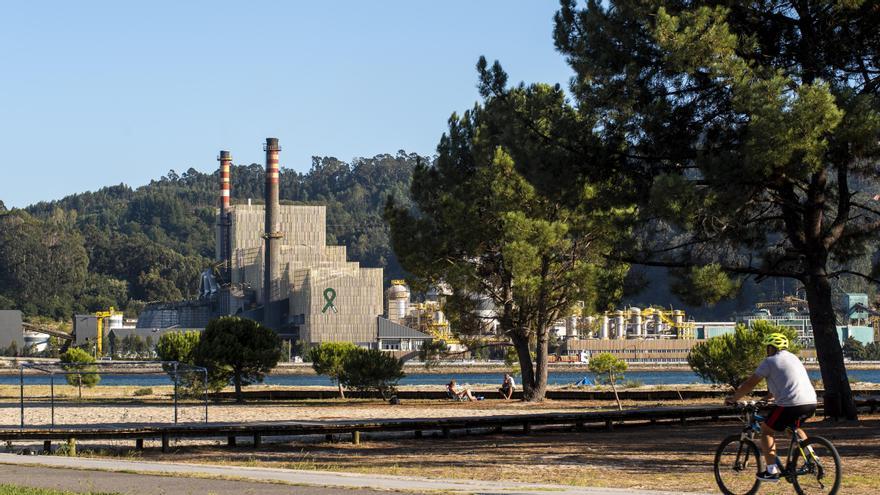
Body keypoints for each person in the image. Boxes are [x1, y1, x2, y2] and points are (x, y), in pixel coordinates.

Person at [725, 333, 818, 482]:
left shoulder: (769, 361)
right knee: (793, 428)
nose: (766, 351)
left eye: (767, 347)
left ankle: (771, 471)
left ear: (772, 348)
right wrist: (767, 399)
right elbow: (786, 384)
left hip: (791, 404)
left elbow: (750, 384)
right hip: (811, 402)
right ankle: (812, 458)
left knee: (766, 431)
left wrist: (733, 398)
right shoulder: (794, 359)